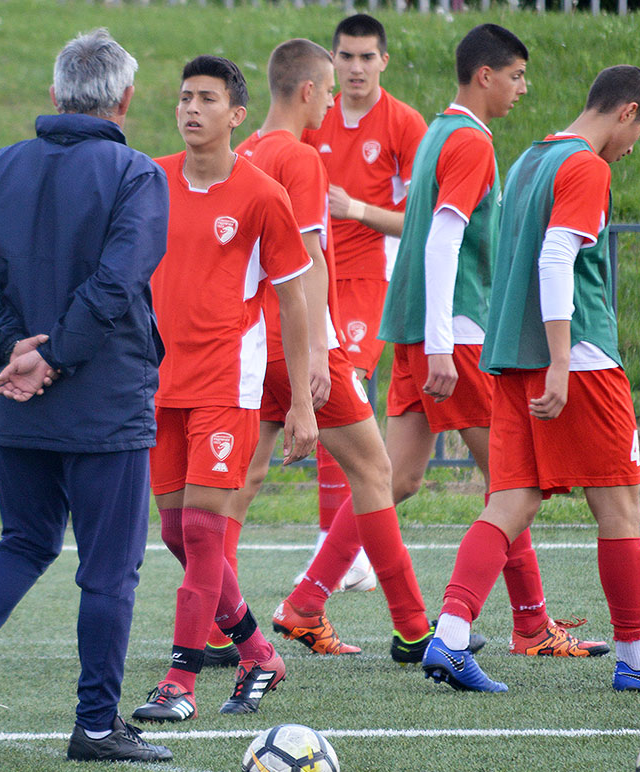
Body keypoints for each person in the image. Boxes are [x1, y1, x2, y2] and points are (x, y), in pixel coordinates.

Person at [0, 30, 172, 763]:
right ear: (124, 99)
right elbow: (118, 284)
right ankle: (96, 726)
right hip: (107, 402)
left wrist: (14, 349)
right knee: (109, 569)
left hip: (18, 400)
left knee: (25, 540)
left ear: (55, 95)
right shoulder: (135, 173)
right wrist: (52, 356)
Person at [419, 65, 640, 694]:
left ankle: (449, 636)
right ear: (627, 112)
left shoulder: (528, 159)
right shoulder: (587, 166)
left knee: (510, 501)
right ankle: (636, 659)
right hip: (578, 360)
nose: (634, 147)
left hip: (512, 359)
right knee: (620, 506)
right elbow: (556, 256)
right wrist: (560, 359)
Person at [377, 23, 607, 661]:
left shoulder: (435, 131)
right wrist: (444, 344)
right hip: (455, 332)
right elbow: (445, 239)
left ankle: (306, 601)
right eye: (516, 76)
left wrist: (430, 337)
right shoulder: (473, 141)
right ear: (486, 75)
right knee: (511, 484)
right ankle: (531, 626)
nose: (522, 90)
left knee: (393, 478)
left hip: (417, 325)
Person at [222, 38, 435, 664]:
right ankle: (414, 629)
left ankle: (219, 618)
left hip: (253, 342)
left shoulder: (244, 153)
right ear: (310, 91)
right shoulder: (303, 158)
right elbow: (310, 261)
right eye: (329, 89)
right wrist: (319, 351)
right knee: (376, 471)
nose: (335, 101)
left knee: (245, 477)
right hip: (302, 344)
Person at [130, 55, 318, 724]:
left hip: (225, 385)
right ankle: (259, 652)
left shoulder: (263, 194)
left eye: (206, 99)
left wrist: (300, 400)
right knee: (179, 534)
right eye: (184, 97)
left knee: (206, 531)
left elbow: (296, 299)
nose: (191, 109)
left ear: (236, 115)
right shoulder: (148, 179)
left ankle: (180, 680)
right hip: (158, 385)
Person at [296, 14, 428, 592]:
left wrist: (358, 211)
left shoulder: (403, 123)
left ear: (383, 62)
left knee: (335, 392)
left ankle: (340, 548)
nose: (354, 68)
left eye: (366, 57)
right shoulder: (312, 119)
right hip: (310, 278)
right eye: (345, 57)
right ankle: (344, 547)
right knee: (325, 402)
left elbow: (427, 220)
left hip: (370, 282)